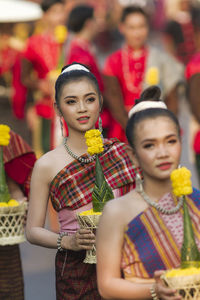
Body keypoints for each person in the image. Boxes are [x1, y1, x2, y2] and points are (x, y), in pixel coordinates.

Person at [25, 62, 137, 299]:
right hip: (75, 272)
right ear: (57, 108)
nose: (82, 108)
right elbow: (33, 230)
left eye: (89, 99)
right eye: (71, 101)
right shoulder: (46, 165)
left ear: (100, 101)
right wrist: (68, 241)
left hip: (125, 264)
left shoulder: (120, 152)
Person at [96, 85, 200, 299]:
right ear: (132, 155)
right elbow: (106, 285)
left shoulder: (196, 200)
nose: (163, 153)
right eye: (150, 145)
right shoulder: (117, 211)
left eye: (170, 141)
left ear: (181, 143)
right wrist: (154, 290)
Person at [103, 5, 183, 142]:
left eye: (141, 26)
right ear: (122, 28)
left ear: (148, 27)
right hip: (124, 128)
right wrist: (132, 128)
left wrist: (168, 126)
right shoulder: (113, 61)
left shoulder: (161, 59)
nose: (137, 33)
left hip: (157, 126)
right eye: (132, 28)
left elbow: (172, 99)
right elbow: (113, 98)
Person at [21, 0, 67, 156]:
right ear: (45, 15)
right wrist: (40, 85)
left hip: (69, 107)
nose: (60, 17)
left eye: (62, 11)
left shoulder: (71, 42)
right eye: (55, 12)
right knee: (45, 151)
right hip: (45, 107)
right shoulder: (34, 43)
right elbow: (25, 78)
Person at [1, 129, 36, 300]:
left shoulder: (5, 137)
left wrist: (19, 202)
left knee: (8, 289)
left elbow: (17, 188)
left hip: (3, 234)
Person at [65, 4, 111, 136]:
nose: (100, 23)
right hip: (93, 121)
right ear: (89, 23)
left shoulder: (82, 48)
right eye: (97, 19)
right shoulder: (80, 54)